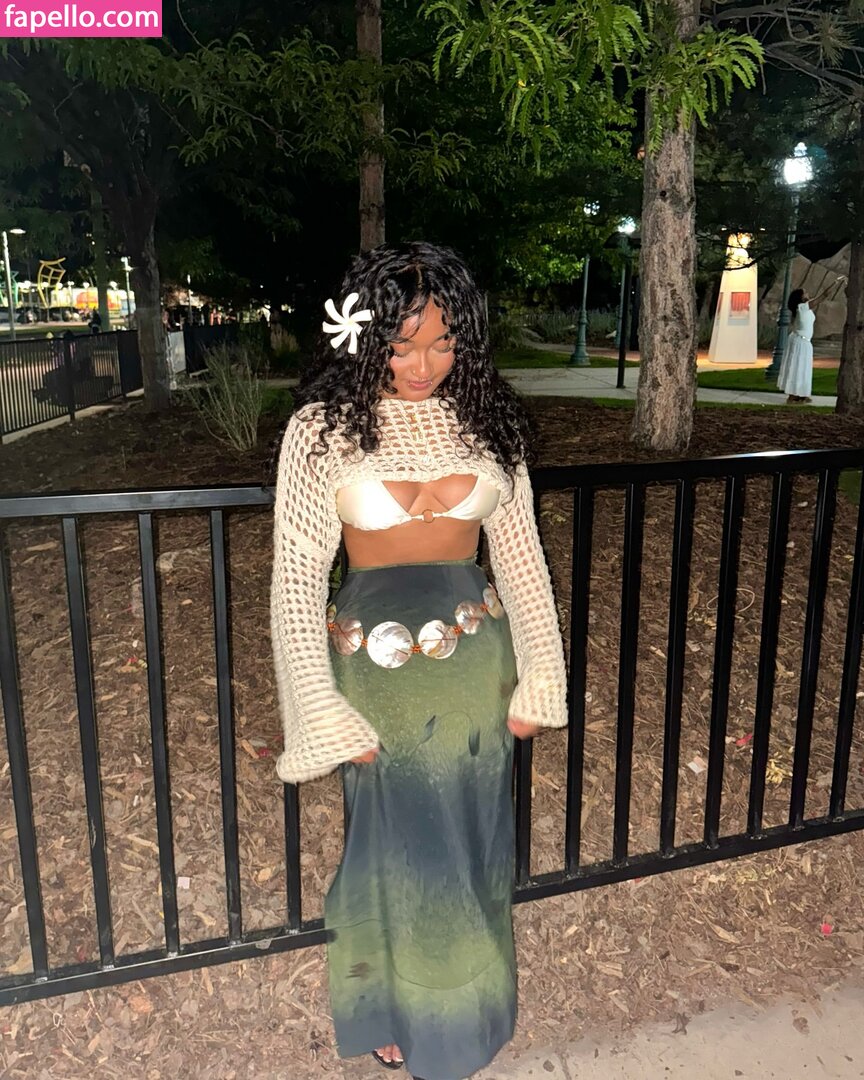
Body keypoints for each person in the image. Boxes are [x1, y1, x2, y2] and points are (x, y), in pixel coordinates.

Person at [270, 242, 567, 1080]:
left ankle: (471, 1010)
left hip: (477, 668)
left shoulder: (490, 426)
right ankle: (392, 1007)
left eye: (443, 342)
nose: (423, 365)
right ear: (366, 337)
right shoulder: (321, 432)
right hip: (375, 671)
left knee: (473, 840)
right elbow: (295, 578)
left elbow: (523, 560)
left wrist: (542, 675)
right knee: (392, 844)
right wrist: (317, 708)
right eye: (402, 344)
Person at [777, 276, 846, 404]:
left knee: (804, 368)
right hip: (799, 342)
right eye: (805, 293)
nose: (808, 294)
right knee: (797, 367)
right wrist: (836, 282)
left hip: (805, 342)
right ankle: (792, 396)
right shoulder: (802, 307)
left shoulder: (804, 308)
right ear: (801, 297)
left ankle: (802, 394)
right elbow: (823, 295)